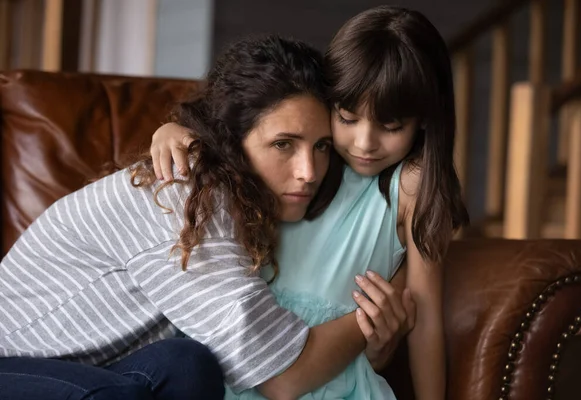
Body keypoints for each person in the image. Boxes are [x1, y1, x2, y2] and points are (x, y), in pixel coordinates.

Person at [0, 35, 410, 400]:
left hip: (87, 368)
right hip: (13, 363)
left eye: (321, 146)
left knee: (188, 365)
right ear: (229, 141)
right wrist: (377, 311)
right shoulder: (188, 198)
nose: (309, 171)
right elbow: (283, 379)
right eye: (283, 144)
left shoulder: (242, 197)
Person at [151, 6, 470, 400]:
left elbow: (424, 322)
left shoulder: (411, 185)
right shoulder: (307, 161)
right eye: (348, 118)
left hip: (329, 381)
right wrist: (172, 130)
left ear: (423, 119)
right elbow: (241, 129)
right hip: (242, 357)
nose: (365, 143)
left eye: (390, 127)